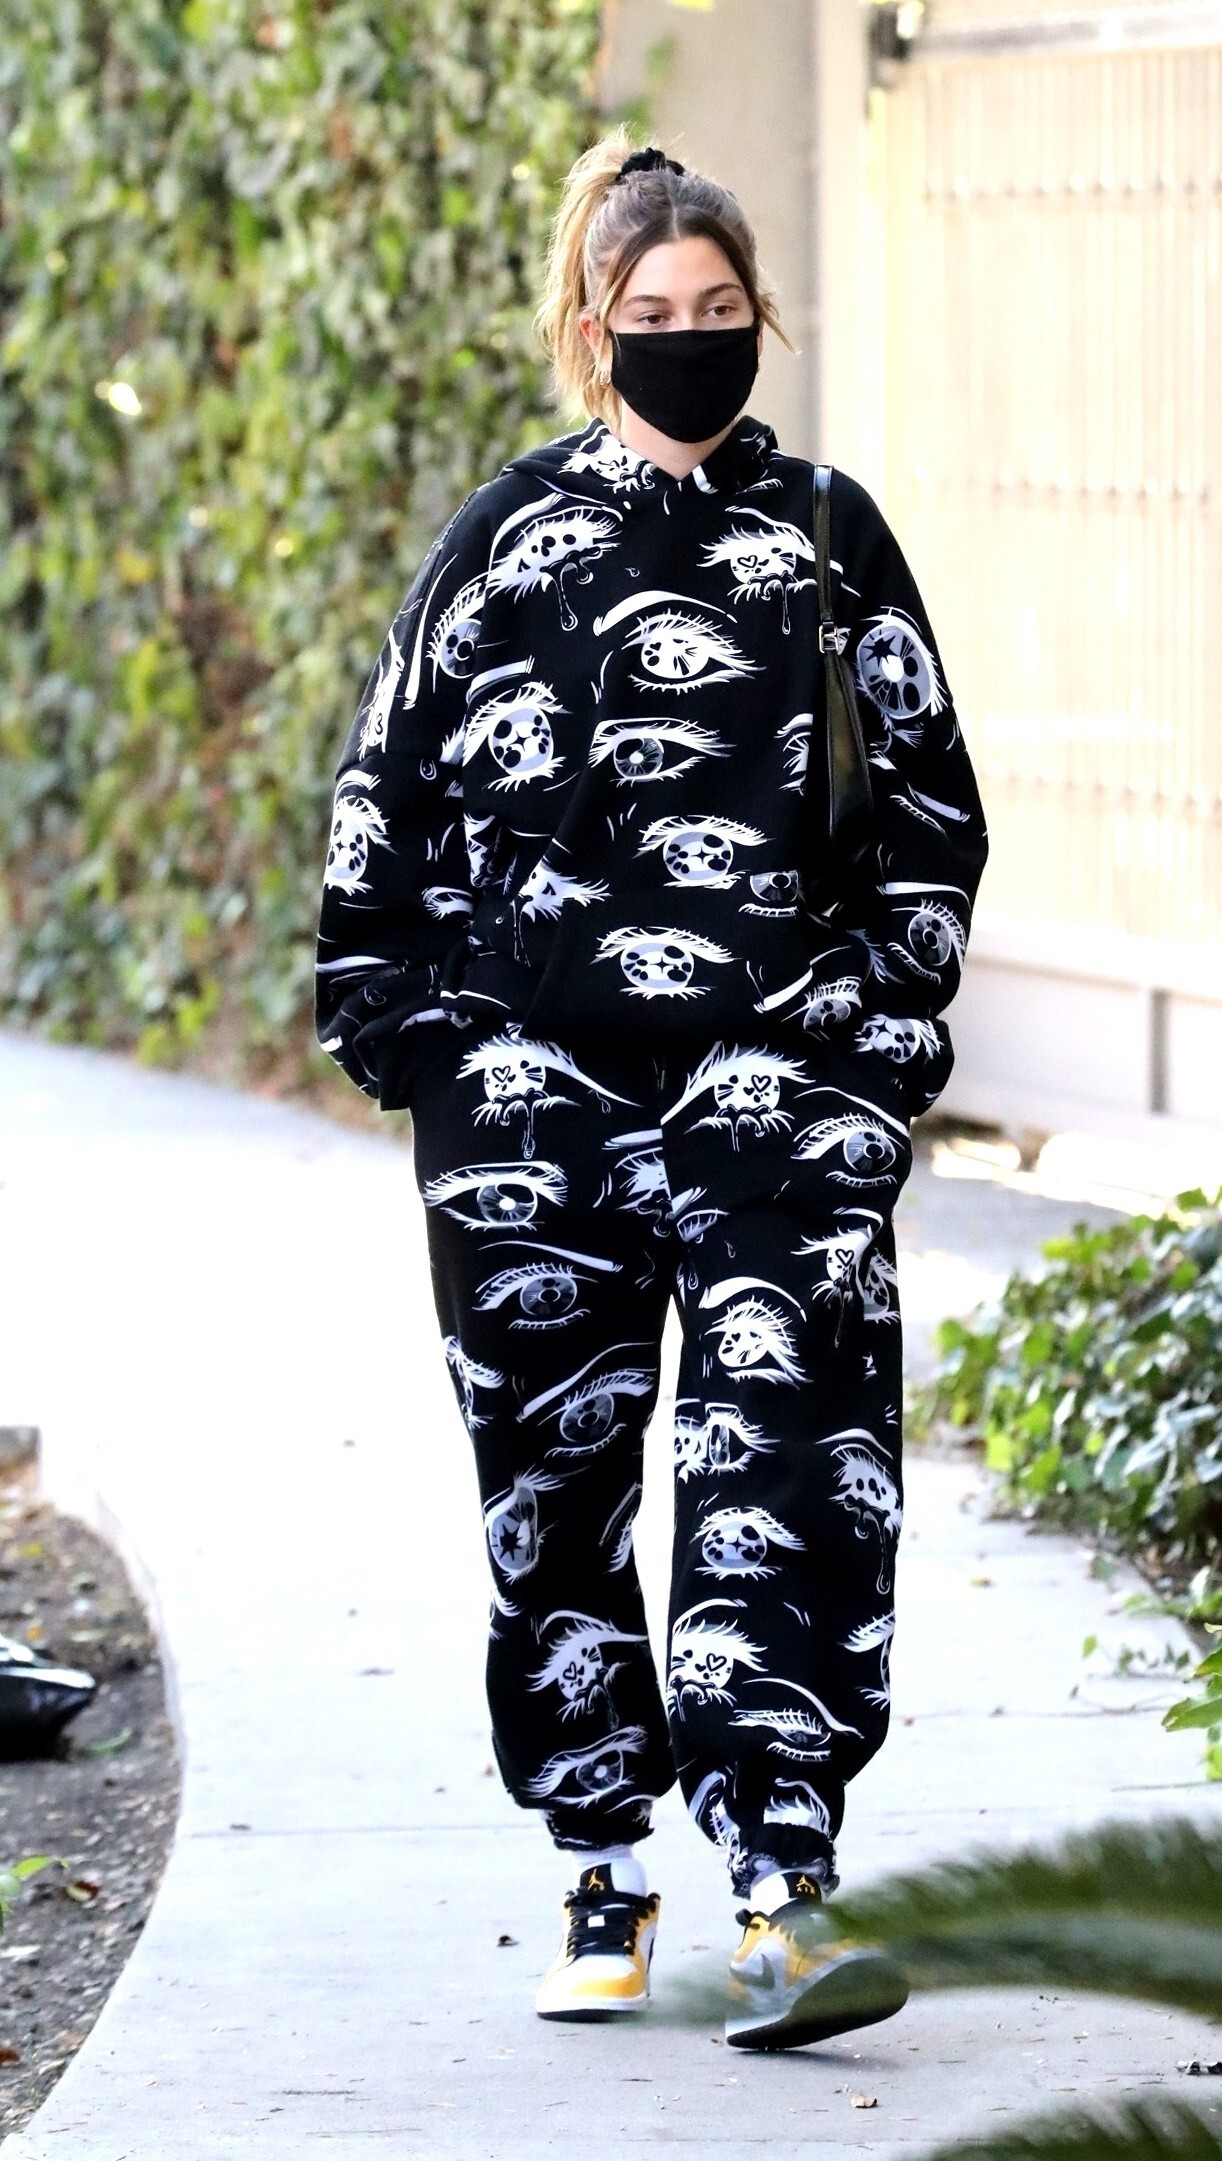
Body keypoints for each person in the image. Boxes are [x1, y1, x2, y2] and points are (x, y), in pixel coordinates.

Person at [315, 129, 988, 2051]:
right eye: (652, 311)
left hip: (778, 1095)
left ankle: (783, 1885)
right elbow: (384, 802)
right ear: (589, 325)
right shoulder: (501, 539)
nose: (689, 336)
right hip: (532, 1111)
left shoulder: (831, 536)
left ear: (761, 315)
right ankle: (600, 1854)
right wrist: (428, 1047)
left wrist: (866, 1049)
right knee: (552, 1489)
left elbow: (930, 816)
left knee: (789, 1463)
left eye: (718, 307)